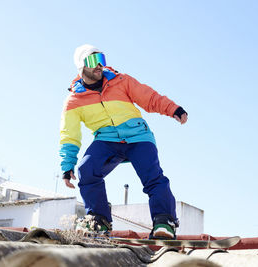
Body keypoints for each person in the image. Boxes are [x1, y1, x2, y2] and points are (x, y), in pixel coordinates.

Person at [59, 44, 188, 239]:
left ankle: (164, 221)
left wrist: (173, 109)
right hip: (107, 139)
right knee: (86, 170)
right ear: (81, 66)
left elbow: (149, 97)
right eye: (93, 61)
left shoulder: (120, 81)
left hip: (138, 136)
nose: (99, 66)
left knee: (152, 176)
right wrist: (67, 165)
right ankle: (98, 220)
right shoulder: (74, 100)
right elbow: (69, 135)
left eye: (102, 60)